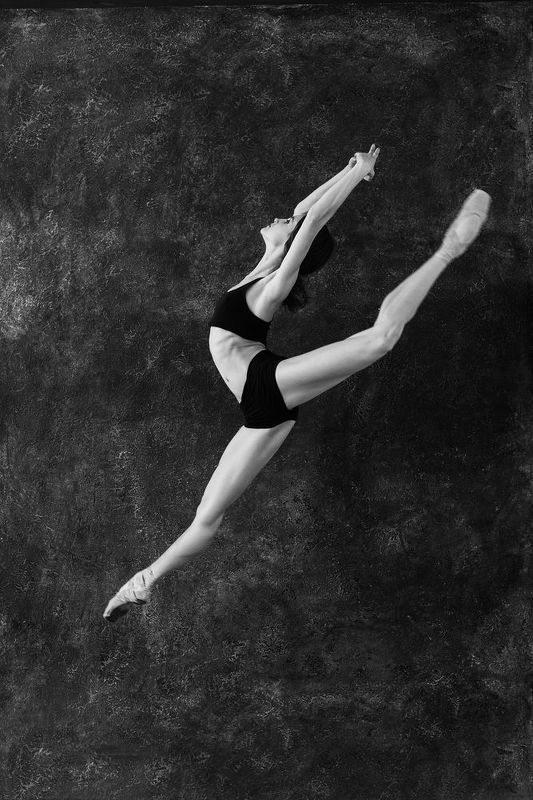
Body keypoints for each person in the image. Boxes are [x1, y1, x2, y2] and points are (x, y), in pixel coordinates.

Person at [103, 145, 491, 621]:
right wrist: (352, 168)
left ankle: (448, 251)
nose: (282, 218)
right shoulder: (262, 270)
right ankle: (143, 583)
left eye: (290, 226)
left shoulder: (274, 285)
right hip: (260, 409)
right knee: (207, 518)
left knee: (378, 340)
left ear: (294, 246)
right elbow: (307, 211)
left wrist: (356, 179)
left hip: (266, 383)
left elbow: (313, 219)